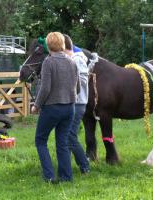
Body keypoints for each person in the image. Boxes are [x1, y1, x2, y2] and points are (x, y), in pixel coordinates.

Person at [31, 32, 79, 183]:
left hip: (52, 108)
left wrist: (36, 106)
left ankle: (49, 176)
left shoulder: (49, 62)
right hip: (70, 108)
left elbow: (45, 88)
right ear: (62, 44)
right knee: (62, 142)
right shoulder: (72, 62)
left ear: (48, 45)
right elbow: (77, 89)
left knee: (40, 140)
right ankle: (66, 177)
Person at [63, 34, 90, 174]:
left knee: (70, 135)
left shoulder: (77, 60)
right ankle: (65, 166)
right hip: (71, 103)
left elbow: (83, 82)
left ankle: (85, 164)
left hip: (78, 103)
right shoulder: (70, 60)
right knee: (66, 135)